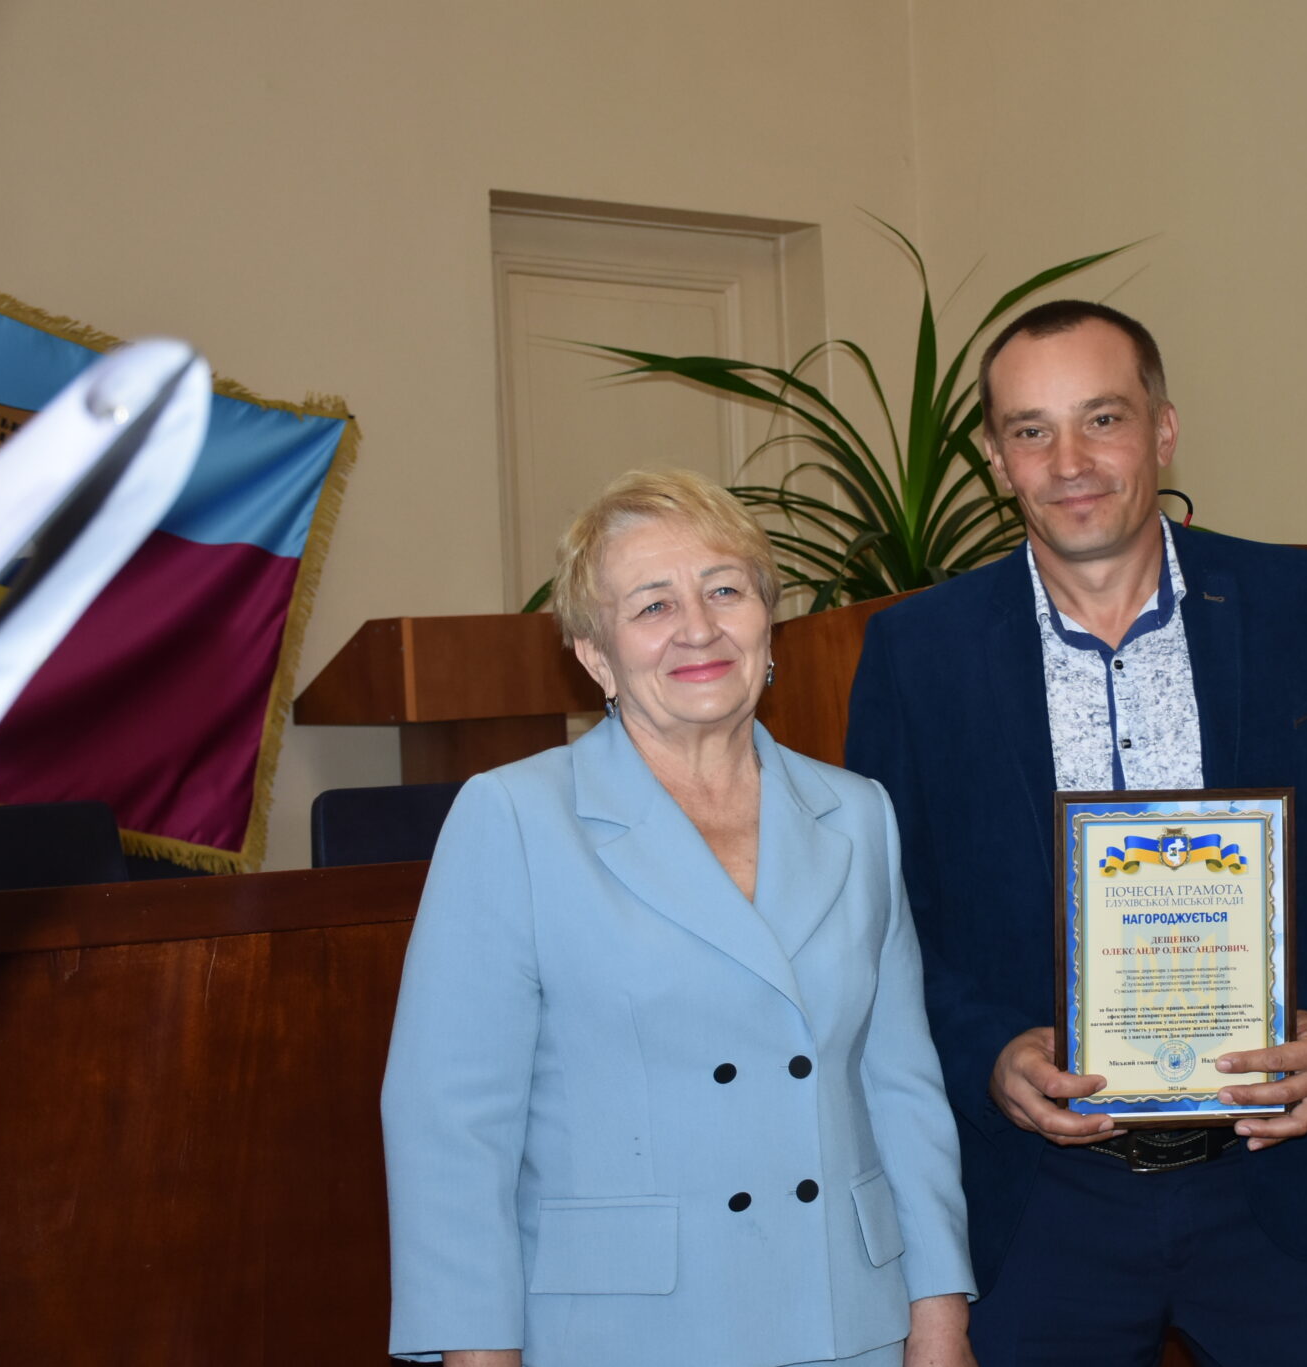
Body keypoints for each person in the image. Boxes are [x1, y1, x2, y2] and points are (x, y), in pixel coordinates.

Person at [844, 302, 1307, 1367]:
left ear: (1162, 430)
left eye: (1102, 418)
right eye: (1031, 430)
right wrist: (988, 1052)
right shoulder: (917, 650)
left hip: (1266, 1180)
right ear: (995, 459)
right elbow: (883, 912)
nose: (1069, 462)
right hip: (1039, 1202)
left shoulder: (1292, 601)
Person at [382, 469, 977, 1367]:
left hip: (847, 1318)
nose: (698, 627)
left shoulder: (858, 813)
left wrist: (939, 1316)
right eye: (653, 605)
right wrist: (476, 1352)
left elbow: (902, 1089)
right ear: (595, 654)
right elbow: (451, 1126)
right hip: (624, 1332)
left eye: (725, 590)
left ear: (767, 624)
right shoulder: (514, 817)